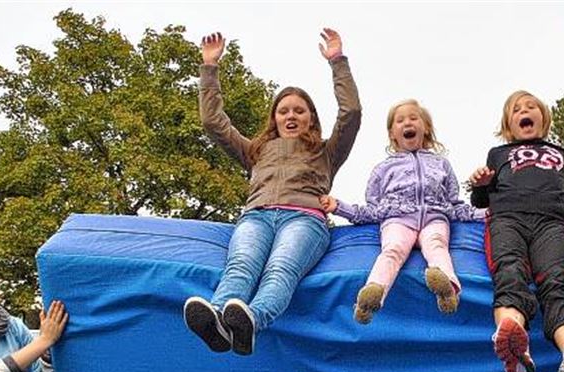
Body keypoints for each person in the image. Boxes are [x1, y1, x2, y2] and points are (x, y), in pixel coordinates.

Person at [185, 29, 361, 355]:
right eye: (284, 110)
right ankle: (219, 322)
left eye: (298, 110)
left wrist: (337, 61)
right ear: (275, 118)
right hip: (257, 216)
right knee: (241, 264)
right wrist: (209, 68)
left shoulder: (326, 151)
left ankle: (253, 319)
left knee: (280, 268)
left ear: (311, 118)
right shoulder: (256, 149)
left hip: (303, 219)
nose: (291, 115)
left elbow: (350, 114)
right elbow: (214, 123)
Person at [468, 91, 564, 372]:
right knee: (510, 270)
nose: (524, 111)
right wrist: (479, 184)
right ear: (508, 126)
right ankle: (512, 330)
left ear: (543, 118)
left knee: (558, 280)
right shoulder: (498, 153)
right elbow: (481, 200)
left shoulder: (562, 154)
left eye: (531, 107)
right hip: (507, 218)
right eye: (516, 110)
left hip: (551, 222)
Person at [320, 99, 484, 324]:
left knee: (436, 246)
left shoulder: (441, 165)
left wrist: (485, 213)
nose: (407, 122)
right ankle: (372, 294)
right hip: (397, 219)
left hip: (435, 217)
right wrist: (339, 207)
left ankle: (448, 289)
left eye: (413, 118)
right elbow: (373, 210)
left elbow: (455, 205)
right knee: (392, 250)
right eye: (400, 120)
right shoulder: (383, 169)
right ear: (392, 134)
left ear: (425, 127)